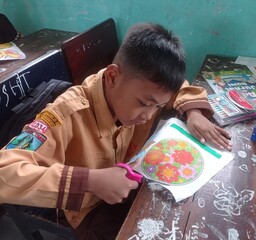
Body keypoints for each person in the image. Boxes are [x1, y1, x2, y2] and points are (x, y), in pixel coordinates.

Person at [0, 22, 232, 239]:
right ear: (112, 75)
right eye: (143, 103)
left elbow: (176, 86)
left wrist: (193, 113)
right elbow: (4, 172)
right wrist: (90, 181)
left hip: (128, 180)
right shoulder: (65, 114)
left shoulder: (140, 87)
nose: (148, 116)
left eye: (158, 107)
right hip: (88, 207)